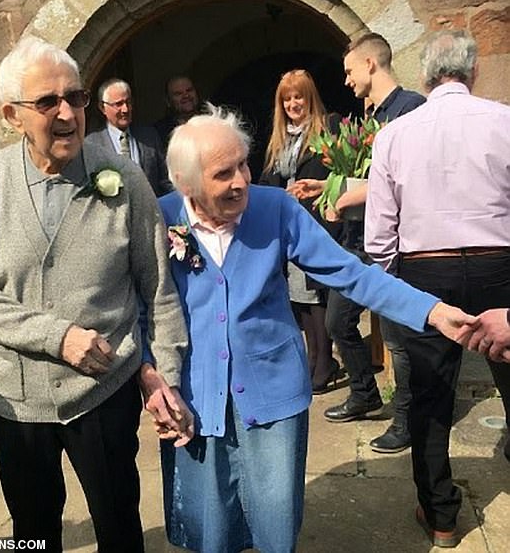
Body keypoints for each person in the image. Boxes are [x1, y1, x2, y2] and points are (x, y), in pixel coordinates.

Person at [140, 104, 475, 553]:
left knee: (276, 522)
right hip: (195, 395)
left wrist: (431, 311)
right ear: (186, 183)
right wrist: (152, 378)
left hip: (272, 388)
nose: (241, 181)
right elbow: (140, 309)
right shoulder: (158, 218)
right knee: (209, 527)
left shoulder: (275, 208)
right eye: (224, 174)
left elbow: (350, 273)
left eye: (243, 163)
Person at [0, 36, 190, 553]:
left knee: (118, 521)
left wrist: (164, 377)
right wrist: (57, 338)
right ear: (12, 115)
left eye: (75, 98)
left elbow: (159, 291)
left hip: (103, 391)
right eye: (48, 102)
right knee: (33, 530)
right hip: (18, 398)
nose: (67, 112)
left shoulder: (125, 180)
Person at [365, 30, 510, 546]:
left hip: (426, 271)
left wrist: (392, 289)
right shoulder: (504, 120)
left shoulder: (395, 134)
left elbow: (380, 233)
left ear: (425, 77)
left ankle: (442, 514)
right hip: (500, 264)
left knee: (429, 396)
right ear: (473, 74)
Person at [297, 33, 426, 454]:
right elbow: (365, 177)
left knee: (397, 339)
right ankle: (364, 392)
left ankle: (407, 418)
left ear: (371, 64)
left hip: (393, 245)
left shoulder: (411, 111)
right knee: (337, 323)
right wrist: (327, 185)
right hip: (358, 242)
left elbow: (405, 180)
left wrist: (350, 195)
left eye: (350, 70)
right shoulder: (367, 115)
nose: (347, 79)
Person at [260, 69, 343, 393]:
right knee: (300, 297)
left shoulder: (328, 127)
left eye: (299, 97)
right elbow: (269, 180)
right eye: (287, 98)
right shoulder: (282, 139)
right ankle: (314, 359)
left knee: (317, 295)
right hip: (289, 226)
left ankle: (324, 362)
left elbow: (338, 174)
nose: (294, 103)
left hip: (319, 223)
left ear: (310, 98)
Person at [87, 78, 171, 196]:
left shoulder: (148, 136)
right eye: (118, 104)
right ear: (102, 107)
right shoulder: (91, 145)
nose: (125, 109)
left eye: (128, 102)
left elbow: (165, 179)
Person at [154, 75, 202, 149]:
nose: (186, 95)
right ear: (168, 102)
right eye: (178, 94)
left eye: (189, 90)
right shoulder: (159, 133)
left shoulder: (213, 122)